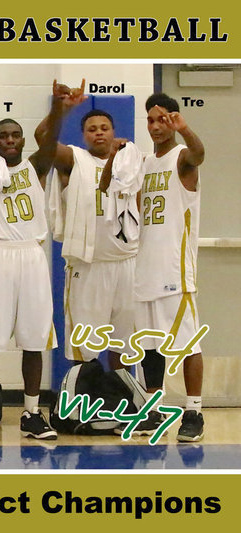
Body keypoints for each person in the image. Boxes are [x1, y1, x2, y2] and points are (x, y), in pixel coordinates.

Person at [0, 72, 68, 441]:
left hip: (32, 257)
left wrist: (57, 105)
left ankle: (33, 414)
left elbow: (51, 139)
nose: (8, 140)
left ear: (21, 140)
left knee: (35, 339)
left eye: (14, 135)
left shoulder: (36, 167)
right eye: (2, 136)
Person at [100, 93, 206, 442]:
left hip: (175, 271)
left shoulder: (182, 158)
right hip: (144, 268)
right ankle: (154, 408)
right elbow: (105, 188)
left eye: (163, 119)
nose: (157, 126)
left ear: (173, 120)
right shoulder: (142, 162)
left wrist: (187, 129)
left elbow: (199, 154)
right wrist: (113, 157)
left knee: (187, 344)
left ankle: (194, 412)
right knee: (149, 348)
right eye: (151, 120)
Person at [38, 85, 139, 373]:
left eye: (104, 127)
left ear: (114, 131)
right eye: (92, 128)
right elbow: (43, 140)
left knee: (123, 343)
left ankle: (121, 397)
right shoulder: (74, 159)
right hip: (89, 264)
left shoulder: (130, 163)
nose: (99, 132)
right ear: (83, 135)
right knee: (86, 344)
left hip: (126, 261)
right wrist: (64, 108)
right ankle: (85, 403)